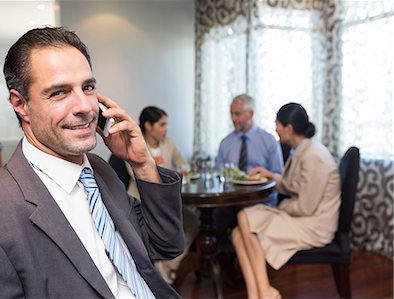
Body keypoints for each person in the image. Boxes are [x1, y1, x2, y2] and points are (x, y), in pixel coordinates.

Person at [0, 27, 184, 299]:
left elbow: (165, 246)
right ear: (20, 103)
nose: (85, 107)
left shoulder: (99, 170)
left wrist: (142, 164)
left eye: (88, 87)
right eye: (59, 92)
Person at [231, 102, 341, 299]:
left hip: (314, 224)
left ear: (289, 128)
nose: (275, 129)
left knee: (244, 219)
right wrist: (270, 175)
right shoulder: (301, 150)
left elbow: (306, 208)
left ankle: (263, 291)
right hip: (303, 215)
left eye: (278, 125)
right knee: (238, 232)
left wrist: (281, 207)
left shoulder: (315, 157)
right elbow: (293, 185)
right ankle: (258, 293)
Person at [126, 106, 199, 284]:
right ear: (148, 126)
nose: (166, 129)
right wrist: (154, 168)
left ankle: (168, 263)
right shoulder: (135, 145)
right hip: (140, 202)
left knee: (192, 222)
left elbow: (183, 166)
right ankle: (158, 267)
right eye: (162, 124)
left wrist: (178, 170)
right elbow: (137, 177)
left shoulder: (169, 143)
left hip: (167, 203)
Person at [214, 94, 284, 234]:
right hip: (229, 204)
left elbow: (278, 176)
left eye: (237, 114)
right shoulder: (225, 143)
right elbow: (218, 175)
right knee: (209, 222)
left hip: (260, 203)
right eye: (231, 114)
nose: (233, 119)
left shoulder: (269, 141)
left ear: (250, 114)